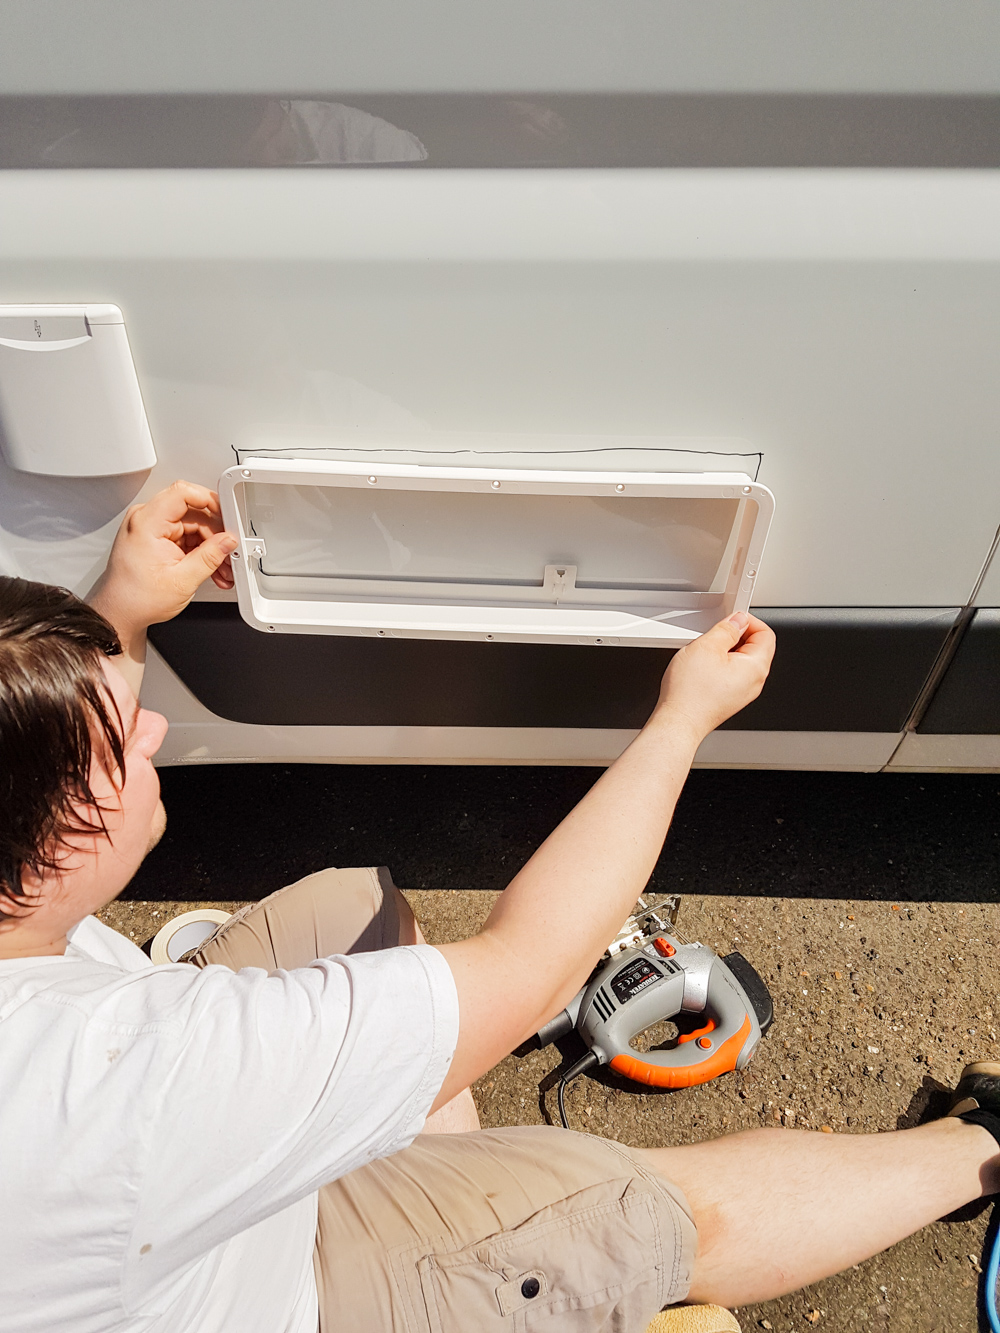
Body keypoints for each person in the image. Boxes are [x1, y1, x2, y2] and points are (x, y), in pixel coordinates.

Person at [0, 480, 997, 1333]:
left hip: (138, 1202)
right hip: (288, 1284)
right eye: (125, 739)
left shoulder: (41, 941)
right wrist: (681, 721)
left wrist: (117, 615)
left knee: (352, 910)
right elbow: (534, 964)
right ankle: (982, 1148)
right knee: (625, 1210)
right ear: (51, 851)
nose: (159, 725)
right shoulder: (122, 1086)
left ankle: (475, 1217)